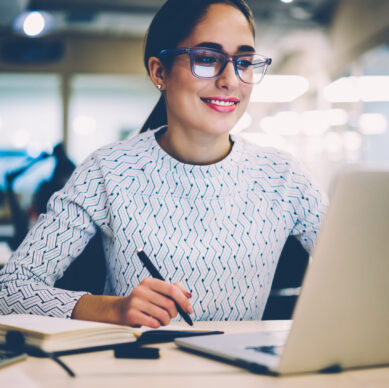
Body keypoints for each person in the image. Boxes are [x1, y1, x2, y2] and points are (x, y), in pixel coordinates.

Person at [0, 0, 328, 328]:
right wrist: (111, 309)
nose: (231, 79)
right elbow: (10, 291)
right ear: (160, 72)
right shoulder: (109, 170)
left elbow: (366, 271)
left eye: (243, 62)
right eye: (206, 58)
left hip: (243, 377)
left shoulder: (283, 178)